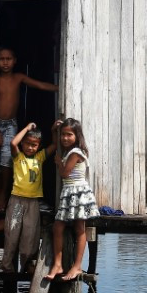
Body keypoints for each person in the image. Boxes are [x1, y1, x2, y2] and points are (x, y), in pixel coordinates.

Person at [0, 47, 58, 212]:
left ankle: (3, 196)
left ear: (15, 61)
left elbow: (40, 85)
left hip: (10, 124)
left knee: (7, 160)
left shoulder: (18, 77)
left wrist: (60, 87)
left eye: (9, 59)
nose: (5, 62)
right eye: (1, 59)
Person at [45, 118, 100, 281]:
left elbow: (64, 174)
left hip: (76, 192)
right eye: (63, 134)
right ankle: (58, 264)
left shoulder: (75, 153)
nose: (65, 138)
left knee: (78, 229)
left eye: (69, 134)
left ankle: (76, 266)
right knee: (59, 227)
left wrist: (58, 163)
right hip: (70, 192)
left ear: (77, 136)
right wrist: (53, 131)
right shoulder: (69, 151)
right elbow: (57, 147)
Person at [2, 122, 57, 273]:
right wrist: (26, 129)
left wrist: (53, 130)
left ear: (38, 146)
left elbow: (54, 145)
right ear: (23, 143)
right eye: (27, 144)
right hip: (17, 200)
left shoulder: (39, 157)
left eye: (34, 145)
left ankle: (26, 264)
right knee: (12, 232)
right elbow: (13, 143)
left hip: (33, 202)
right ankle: (6, 265)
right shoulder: (18, 157)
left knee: (30, 234)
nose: (31, 147)